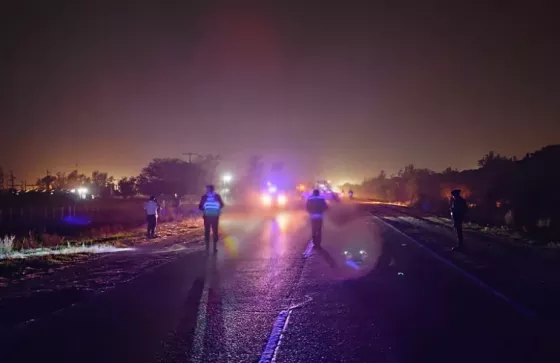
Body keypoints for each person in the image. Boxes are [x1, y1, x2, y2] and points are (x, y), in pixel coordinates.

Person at [199, 184, 225, 254]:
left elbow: (200, 207)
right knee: (215, 230)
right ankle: (214, 247)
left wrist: (205, 209)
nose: (206, 190)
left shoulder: (204, 197)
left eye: (207, 189)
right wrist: (217, 208)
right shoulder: (217, 196)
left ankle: (207, 247)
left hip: (207, 216)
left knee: (207, 231)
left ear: (208, 189)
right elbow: (222, 205)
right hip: (215, 216)